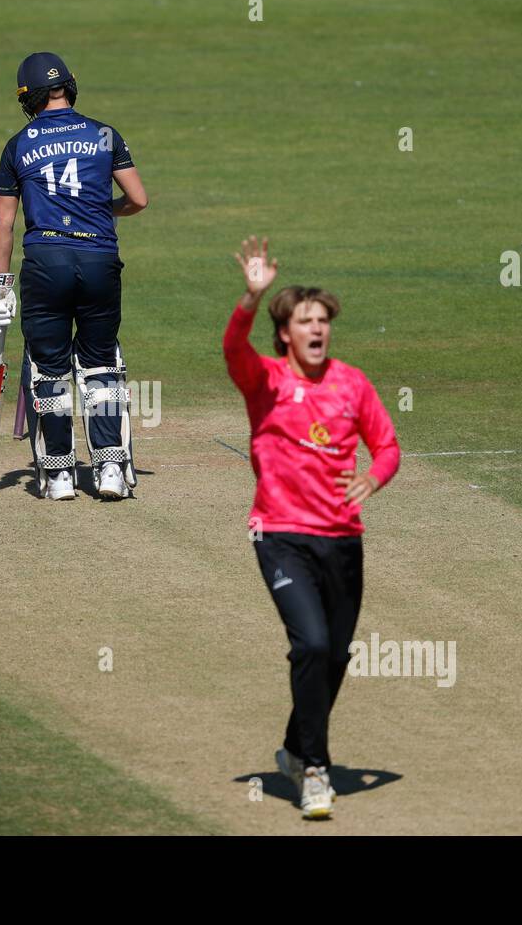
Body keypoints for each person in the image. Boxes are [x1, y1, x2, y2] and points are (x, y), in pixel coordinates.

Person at [223, 236, 401, 819]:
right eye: (306, 321)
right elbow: (231, 349)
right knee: (313, 644)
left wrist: (374, 478)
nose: (318, 329)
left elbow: (388, 446)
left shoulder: (352, 384)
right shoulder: (266, 382)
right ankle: (317, 770)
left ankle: (295, 749)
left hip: (343, 539)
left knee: (335, 656)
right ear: (285, 333)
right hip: (280, 535)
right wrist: (252, 298)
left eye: (323, 321)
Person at [0, 52, 149, 499]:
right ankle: (110, 467)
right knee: (101, 364)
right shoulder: (104, 134)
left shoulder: (18, 145)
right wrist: (101, 211)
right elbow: (138, 199)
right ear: (69, 87)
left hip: (46, 263)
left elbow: (4, 224)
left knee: (50, 368)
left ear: (27, 97)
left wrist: (0, 284)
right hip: (99, 260)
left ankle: (58, 474)